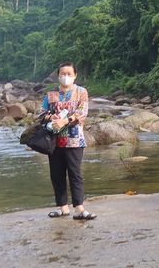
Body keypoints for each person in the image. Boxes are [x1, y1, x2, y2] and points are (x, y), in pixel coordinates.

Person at [42, 62, 95, 220]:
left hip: (74, 140)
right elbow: (41, 113)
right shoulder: (51, 95)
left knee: (75, 173)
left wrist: (64, 121)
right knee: (56, 174)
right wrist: (52, 118)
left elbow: (82, 112)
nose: (65, 77)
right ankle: (62, 207)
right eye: (62, 74)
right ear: (58, 75)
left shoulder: (81, 92)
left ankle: (79, 208)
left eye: (69, 74)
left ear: (75, 75)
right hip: (54, 141)